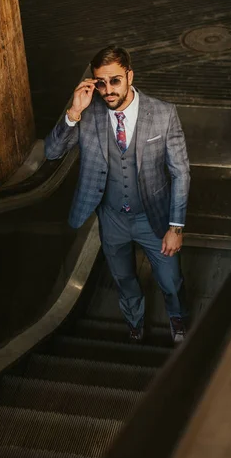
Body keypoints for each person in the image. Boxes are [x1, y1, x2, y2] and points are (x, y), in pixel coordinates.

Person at [45, 46, 190, 343]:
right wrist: (73, 112)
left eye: (114, 81)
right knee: (123, 279)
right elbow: (52, 152)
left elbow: (181, 173)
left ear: (129, 76)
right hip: (112, 219)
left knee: (171, 281)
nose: (108, 90)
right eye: (100, 82)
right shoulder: (88, 113)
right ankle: (134, 321)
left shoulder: (163, 113)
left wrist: (176, 227)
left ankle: (177, 319)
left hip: (155, 218)